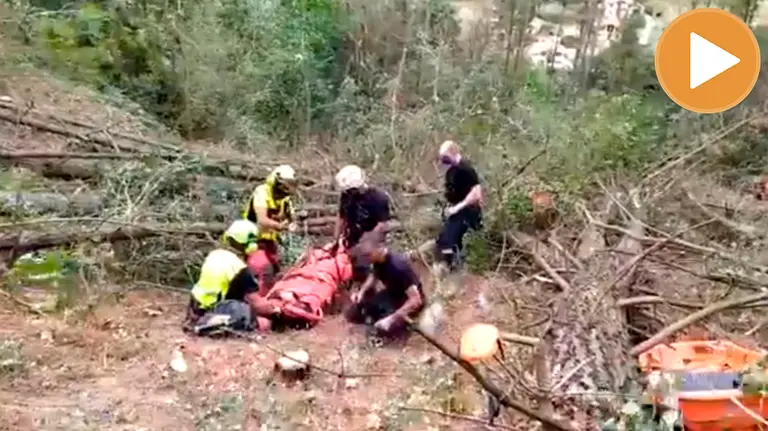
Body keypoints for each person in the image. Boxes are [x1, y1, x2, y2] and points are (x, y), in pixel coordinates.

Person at [186, 220, 281, 332]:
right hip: (215, 312)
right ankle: (211, 326)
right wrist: (274, 310)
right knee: (264, 323)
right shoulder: (239, 268)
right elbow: (257, 305)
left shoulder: (214, 255)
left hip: (195, 309)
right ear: (251, 245)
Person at [346, 233, 425, 337]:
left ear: (380, 248)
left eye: (369, 254)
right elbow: (374, 275)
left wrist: (391, 319)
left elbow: (416, 300)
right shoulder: (378, 259)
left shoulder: (398, 266)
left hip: (407, 302)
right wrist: (361, 292)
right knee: (357, 312)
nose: (367, 257)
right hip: (393, 294)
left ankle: (402, 330)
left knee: (380, 331)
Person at [242, 164, 299, 294]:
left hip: (269, 241)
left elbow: (291, 217)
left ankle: (268, 302)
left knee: (276, 273)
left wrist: (292, 223)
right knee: (262, 269)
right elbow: (262, 220)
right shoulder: (262, 192)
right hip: (252, 240)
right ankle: (255, 301)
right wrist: (279, 226)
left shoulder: (285, 199)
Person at [436, 140, 483, 273]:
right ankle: (451, 266)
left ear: (453, 153)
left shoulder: (466, 169)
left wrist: (458, 207)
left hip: (467, 212)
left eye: (445, 156)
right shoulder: (451, 171)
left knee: (450, 239)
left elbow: (476, 193)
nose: (443, 159)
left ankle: (455, 270)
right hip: (455, 210)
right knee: (444, 239)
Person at [334, 164, 393, 249]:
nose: (348, 193)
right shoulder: (347, 196)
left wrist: (367, 242)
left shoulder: (377, 198)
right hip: (353, 239)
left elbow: (382, 225)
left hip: (374, 241)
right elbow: (341, 216)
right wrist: (336, 240)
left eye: (350, 191)